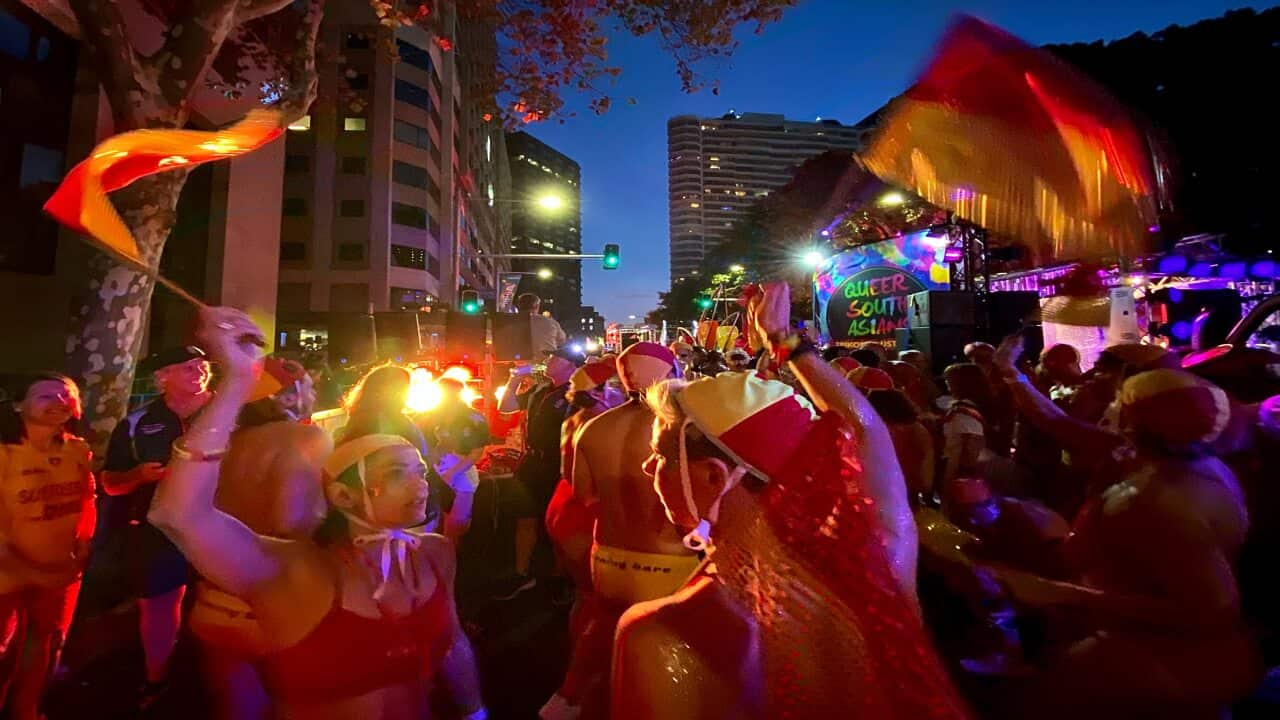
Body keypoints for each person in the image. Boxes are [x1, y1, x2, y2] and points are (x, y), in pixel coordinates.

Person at [613, 282, 969, 719]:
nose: (649, 468)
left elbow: (864, 431)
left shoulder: (665, 636)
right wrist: (786, 342)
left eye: (660, 456)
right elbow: (865, 431)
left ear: (714, 476)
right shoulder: (878, 558)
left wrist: (784, 343)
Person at [148, 307, 485, 720]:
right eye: (395, 473)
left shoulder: (433, 554)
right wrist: (236, 381)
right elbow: (184, 515)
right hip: (279, 598)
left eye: (420, 470)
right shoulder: (297, 563)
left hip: (218, 604)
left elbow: (448, 645)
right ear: (342, 493)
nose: (419, 485)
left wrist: (475, 711)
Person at [988, 368, 1261, 719]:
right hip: (1187, 660)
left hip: (1159, 662)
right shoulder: (1209, 469)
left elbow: (1213, 610)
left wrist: (1061, 593)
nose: (1112, 406)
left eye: (1121, 399)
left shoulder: (1155, 499)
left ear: (1135, 420)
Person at [544, 343, 687, 719]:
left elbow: (584, 493)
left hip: (607, 558)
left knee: (604, 634)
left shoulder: (595, 426)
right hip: (668, 565)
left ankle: (574, 698)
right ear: (671, 371)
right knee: (668, 666)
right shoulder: (683, 425)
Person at [190, 373, 332, 720]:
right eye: (308, 385)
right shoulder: (306, 437)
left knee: (238, 706)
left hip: (216, 595)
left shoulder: (217, 443)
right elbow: (293, 519)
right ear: (286, 397)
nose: (314, 392)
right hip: (279, 597)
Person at [99, 345, 211, 705]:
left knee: (228, 602)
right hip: (158, 528)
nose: (198, 371)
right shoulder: (137, 423)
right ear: (162, 377)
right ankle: (156, 679)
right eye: (186, 367)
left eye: (201, 365)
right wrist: (138, 475)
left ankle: (223, 675)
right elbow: (110, 482)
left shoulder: (236, 413)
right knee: (160, 602)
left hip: (224, 524)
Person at [0, 373, 95, 720]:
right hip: (8, 576)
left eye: (66, 395)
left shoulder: (77, 449)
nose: (59, 400)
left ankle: (27, 709)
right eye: (45, 395)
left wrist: (83, 546)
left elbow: (86, 501)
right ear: (17, 405)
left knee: (45, 643)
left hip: (58, 572)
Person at [497, 350, 579, 597]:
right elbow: (506, 406)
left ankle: (560, 576)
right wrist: (513, 379)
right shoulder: (539, 391)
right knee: (525, 516)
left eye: (555, 359)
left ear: (571, 365)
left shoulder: (578, 394)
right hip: (532, 462)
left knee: (558, 522)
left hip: (559, 465)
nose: (548, 362)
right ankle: (521, 574)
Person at [866, 388, 936, 507]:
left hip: (895, 480)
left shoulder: (878, 429)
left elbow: (927, 455)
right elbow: (927, 454)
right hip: (905, 480)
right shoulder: (914, 428)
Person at [520, 293, 568, 359]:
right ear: (537, 306)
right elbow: (562, 340)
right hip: (548, 362)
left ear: (519, 306)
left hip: (516, 363)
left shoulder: (510, 322)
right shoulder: (551, 322)